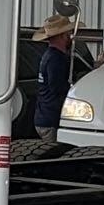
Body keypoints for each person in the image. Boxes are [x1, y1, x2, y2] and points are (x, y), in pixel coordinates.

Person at [30, 12, 75, 140]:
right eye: (68, 35)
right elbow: (58, 88)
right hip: (51, 120)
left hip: (45, 118)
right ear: (62, 36)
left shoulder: (51, 56)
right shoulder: (56, 59)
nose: (70, 38)